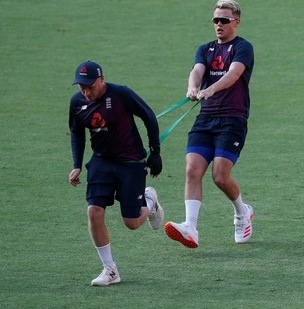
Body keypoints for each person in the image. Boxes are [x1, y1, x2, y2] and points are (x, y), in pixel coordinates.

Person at [164, 0, 255, 248]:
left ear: (236, 22)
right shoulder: (205, 49)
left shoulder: (243, 47)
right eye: (216, 20)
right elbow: (197, 70)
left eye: (224, 20)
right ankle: (191, 227)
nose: (219, 24)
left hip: (232, 120)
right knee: (192, 170)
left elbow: (234, 74)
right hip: (205, 119)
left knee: (220, 176)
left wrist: (211, 89)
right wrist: (193, 87)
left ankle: (242, 212)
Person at [68, 61, 164, 286]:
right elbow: (77, 134)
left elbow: (148, 116)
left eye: (90, 86)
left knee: (131, 222)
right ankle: (110, 270)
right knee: (94, 211)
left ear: (101, 80)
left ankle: (150, 202)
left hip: (131, 163)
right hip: (101, 162)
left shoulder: (121, 94)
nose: (85, 91)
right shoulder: (77, 102)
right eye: (81, 87)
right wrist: (77, 164)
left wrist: (155, 152)